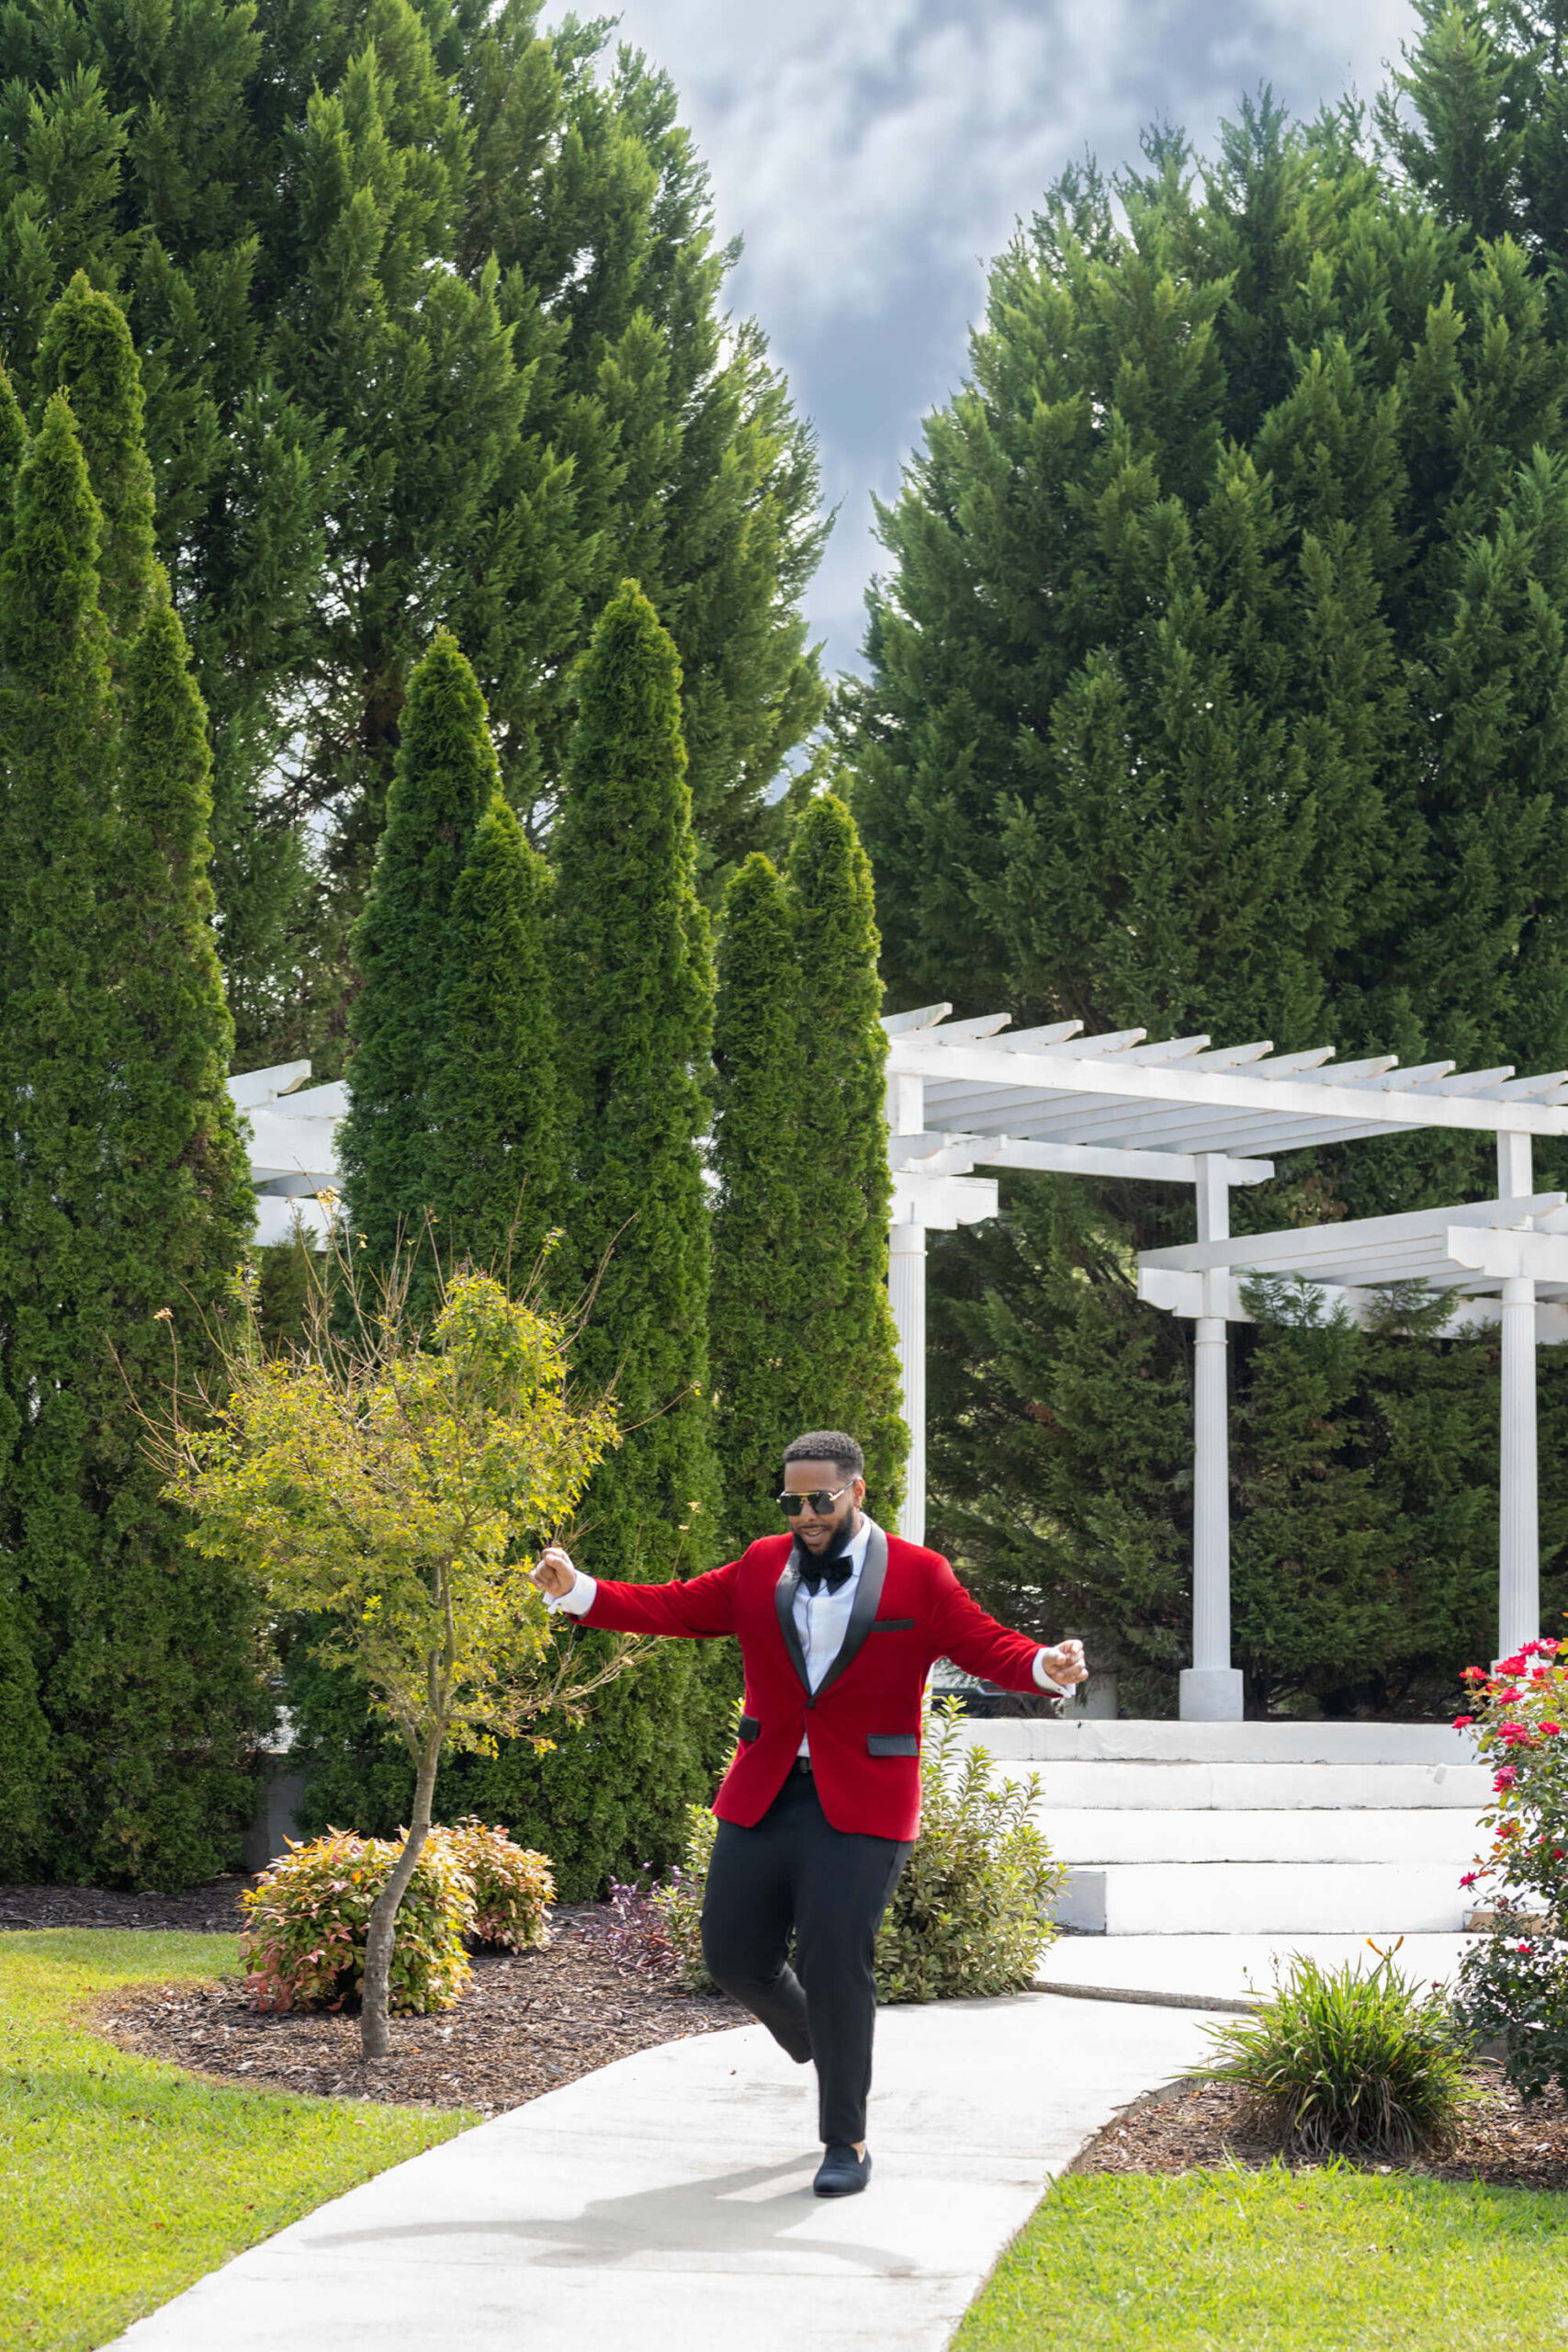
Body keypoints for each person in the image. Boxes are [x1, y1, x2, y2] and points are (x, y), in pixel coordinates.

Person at [531, 1428, 1087, 2199]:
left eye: (818, 1501)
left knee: (834, 1964)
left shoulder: (919, 1574)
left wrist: (1044, 1666)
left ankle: (844, 2140)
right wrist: (578, 1590)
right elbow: (676, 1607)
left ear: (855, 1491)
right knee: (732, 1957)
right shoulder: (763, 1564)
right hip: (765, 1789)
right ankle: (826, 2043)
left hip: (863, 1799)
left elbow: (984, 1644)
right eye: (790, 1503)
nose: (803, 1516)